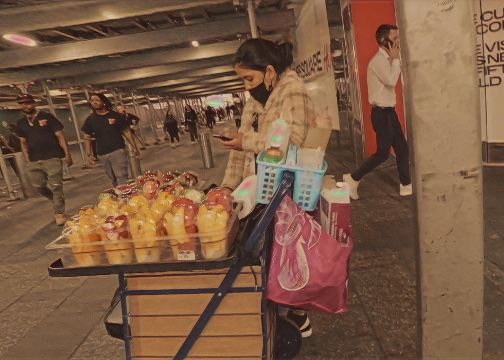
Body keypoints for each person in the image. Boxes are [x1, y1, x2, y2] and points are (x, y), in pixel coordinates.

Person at [218, 38, 314, 337]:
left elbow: (294, 140)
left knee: (291, 247)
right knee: (267, 247)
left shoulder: (292, 90)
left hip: (290, 185)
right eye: (242, 80)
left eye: (249, 78)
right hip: (260, 185)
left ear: (269, 71)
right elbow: (240, 150)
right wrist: (226, 188)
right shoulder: (253, 103)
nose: (246, 86)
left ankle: (298, 313)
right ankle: (273, 305)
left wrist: (246, 141)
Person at [343, 24, 412, 200]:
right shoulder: (378, 61)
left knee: (402, 149)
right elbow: (390, 81)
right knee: (383, 153)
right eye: (395, 39)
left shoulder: (387, 60)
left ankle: (406, 186)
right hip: (381, 114)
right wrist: (396, 59)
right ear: (384, 41)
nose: (398, 42)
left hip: (389, 113)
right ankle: (353, 178)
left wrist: (395, 59)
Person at [15, 94, 73, 226]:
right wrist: (27, 159)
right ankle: (55, 200)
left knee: (56, 186)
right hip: (34, 160)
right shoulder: (20, 123)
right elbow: (23, 142)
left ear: (34, 104)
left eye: (28, 103)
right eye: (22, 103)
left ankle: (59, 213)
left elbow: (60, 137)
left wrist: (67, 155)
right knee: (38, 186)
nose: (25, 105)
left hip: (52, 157)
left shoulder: (47, 117)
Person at [82, 93, 140, 187]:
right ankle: (119, 194)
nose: (94, 102)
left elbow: (126, 131)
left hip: (117, 150)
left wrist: (134, 147)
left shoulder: (115, 115)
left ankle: (124, 196)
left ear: (104, 102)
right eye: (92, 101)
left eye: (97, 100)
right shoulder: (90, 119)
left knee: (121, 176)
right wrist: (89, 154)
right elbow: (87, 137)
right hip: (102, 153)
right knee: (113, 178)